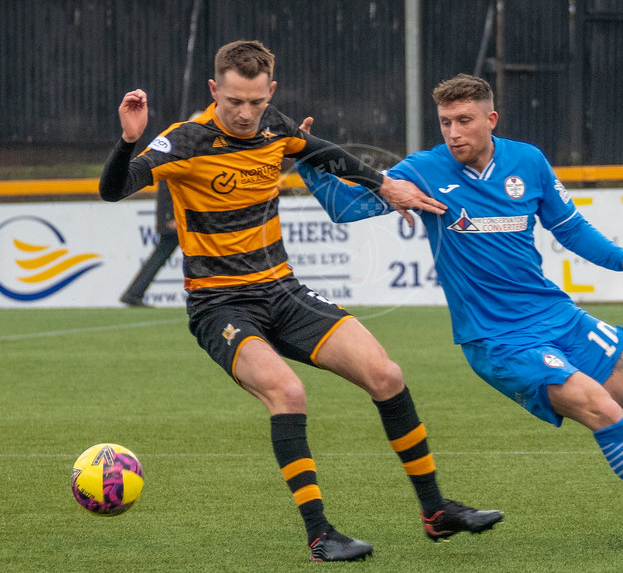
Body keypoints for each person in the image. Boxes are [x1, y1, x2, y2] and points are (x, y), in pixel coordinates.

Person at [295, 74, 623, 551]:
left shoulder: (528, 161)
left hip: (558, 317)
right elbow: (349, 208)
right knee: (603, 409)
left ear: (490, 120)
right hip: (498, 341)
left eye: (464, 121)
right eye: (446, 122)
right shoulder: (424, 171)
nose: (453, 132)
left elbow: (569, 227)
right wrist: (306, 161)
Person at [99, 41, 503, 562]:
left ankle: (435, 511)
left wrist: (386, 186)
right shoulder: (185, 141)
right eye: (234, 101)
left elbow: (327, 153)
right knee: (287, 393)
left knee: (387, 375)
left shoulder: (276, 128)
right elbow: (114, 190)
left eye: (256, 102)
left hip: (284, 291)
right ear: (214, 90)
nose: (245, 114)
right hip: (220, 307)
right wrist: (129, 140)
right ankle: (320, 534)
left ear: (271, 92)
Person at [119, 181, 179, 306]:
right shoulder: (174, 164)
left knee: (161, 255)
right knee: (161, 255)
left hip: (178, 219)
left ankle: (134, 293)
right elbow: (169, 193)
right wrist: (171, 217)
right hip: (177, 221)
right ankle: (133, 293)